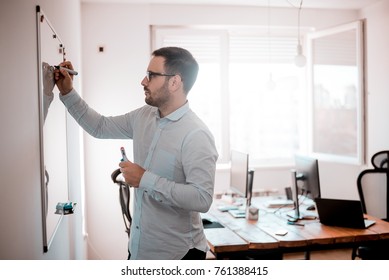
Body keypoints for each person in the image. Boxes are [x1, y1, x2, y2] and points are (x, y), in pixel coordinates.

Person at [54, 47, 218, 260]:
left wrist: (144, 179)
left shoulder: (196, 134)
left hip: (179, 254)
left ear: (175, 82)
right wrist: (68, 93)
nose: (143, 81)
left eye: (151, 75)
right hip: (140, 248)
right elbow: (100, 127)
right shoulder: (144, 116)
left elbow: (201, 199)